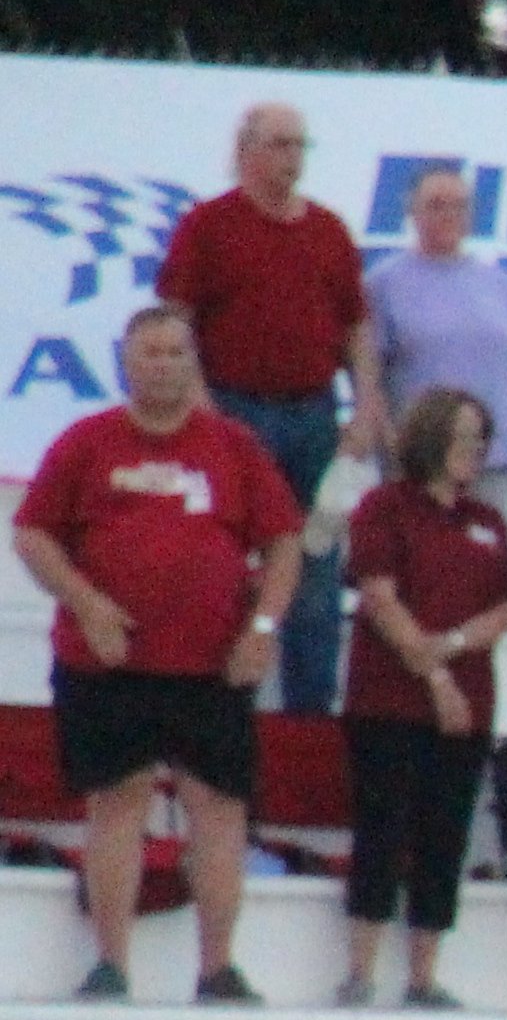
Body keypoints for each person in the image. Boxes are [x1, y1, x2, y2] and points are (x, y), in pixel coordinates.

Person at [15, 303, 302, 1004]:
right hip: (107, 662)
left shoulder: (233, 447)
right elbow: (33, 534)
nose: (164, 365)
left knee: (218, 806)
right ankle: (111, 964)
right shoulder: (87, 442)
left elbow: (286, 541)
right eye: (151, 353)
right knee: (119, 800)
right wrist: (87, 603)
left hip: (212, 665)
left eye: (177, 353)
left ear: (193, 362)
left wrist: (260, 631)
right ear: (124, 362)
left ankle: (218, 967)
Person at [155, 99, 366, 716]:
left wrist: (367, 407)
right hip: (236, 411)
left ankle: (308, 713)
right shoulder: (209, 226)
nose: (292, 159)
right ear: (246, 149)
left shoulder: (327, 230)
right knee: (228, 559)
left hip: (313, 415)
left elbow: (355, 327)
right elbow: (177, 319)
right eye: (281, 145)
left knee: (317, 562)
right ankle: (220, 702)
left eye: (301, 146)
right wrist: (202, 411)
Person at [337, 386, 507, 1010]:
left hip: (468, 704)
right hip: (389, 701)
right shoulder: (385, 508)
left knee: (446, 836)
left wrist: (455, 644)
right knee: (382, 830)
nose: (473, 451)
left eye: (482, 439)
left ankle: (423, 974)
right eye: (463, 436)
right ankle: (360, 972)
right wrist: (436, 674)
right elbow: (380, 597)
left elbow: (506, 605)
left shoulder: (488, 523)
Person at [355, 161, 507, 496]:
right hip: (419, 469)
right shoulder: (383, 285)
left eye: (459, 206)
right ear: (411, 211)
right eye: (435, 205)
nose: (448, 214)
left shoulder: (500, 285)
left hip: (495, 466)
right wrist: (391, 444)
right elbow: (368, 375)